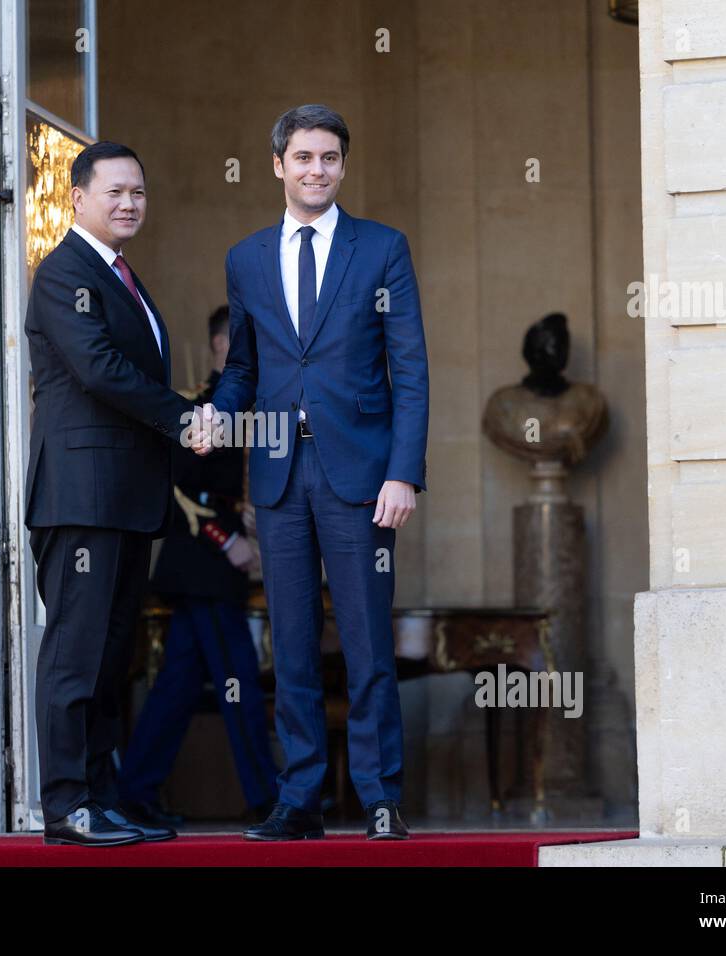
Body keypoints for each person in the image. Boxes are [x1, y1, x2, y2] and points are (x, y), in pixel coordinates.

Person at [207, 105, 429, 840]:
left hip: (361, 477)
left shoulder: (382, 249)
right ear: (278, 165)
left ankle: (379, 797)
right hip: (276, 474)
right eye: (303, 157)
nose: (317, 170)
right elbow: (242, 366)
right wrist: (217, 411)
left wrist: (404, 473)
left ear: (343, 165)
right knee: (292, 643)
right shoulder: (245, 258)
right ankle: (298, 799)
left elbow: (411, 371)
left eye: (329, 158)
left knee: (367, 640)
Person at [23, 141, 208, 847]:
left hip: (126, 499)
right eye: (115, 192)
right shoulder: (63, 271)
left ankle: (102, 799)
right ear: (77, 197)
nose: (129, 203)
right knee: (75, 655)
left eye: (138, 192)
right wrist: (182, 415)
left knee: (109, 658)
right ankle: (67, 805)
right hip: (81, 497)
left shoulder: (122, 274)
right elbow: (98, 370)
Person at [117, 305, 281, 826]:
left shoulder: (240, 407)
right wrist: (226, 536)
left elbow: (227, 491)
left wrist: (247, 523)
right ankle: (268, 798)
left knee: (178, 686)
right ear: (219, 346)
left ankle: (135, 791)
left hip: (208, 572)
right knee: (240, 682)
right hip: (202, 567)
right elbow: (182, 486)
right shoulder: (203, 407)